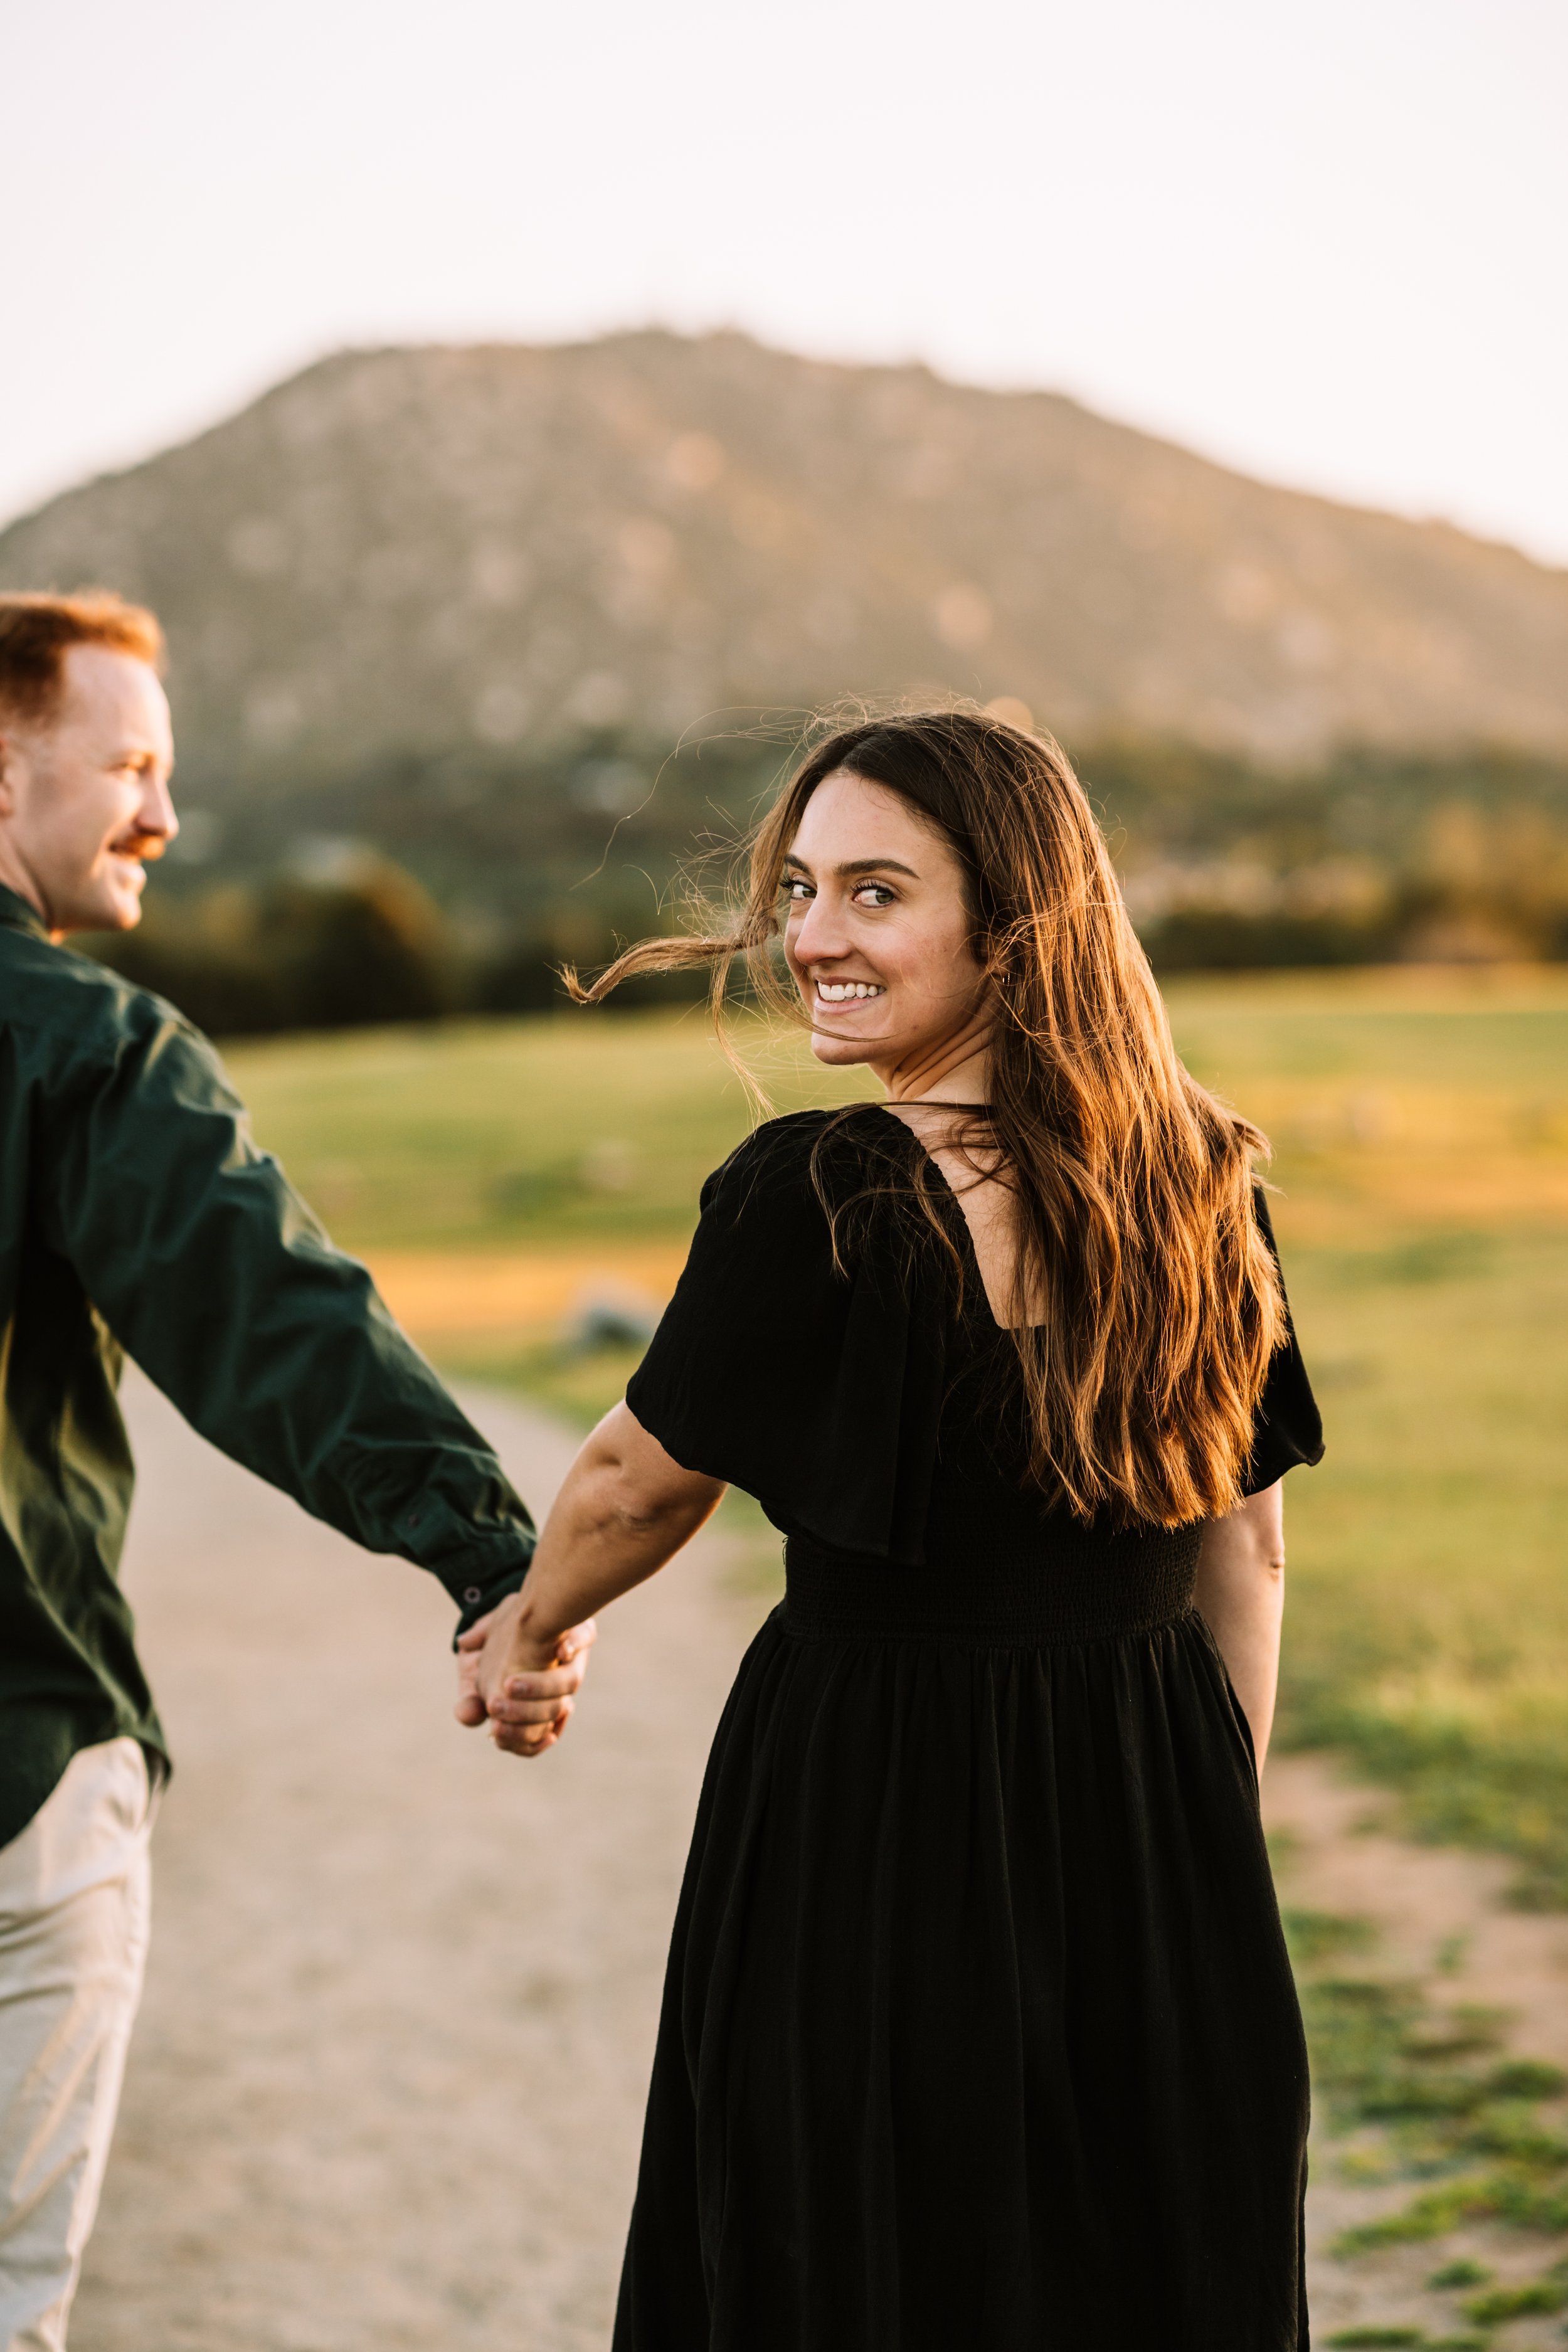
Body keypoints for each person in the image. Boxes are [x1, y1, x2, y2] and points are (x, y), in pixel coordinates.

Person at [462, 707, 1325, 2350]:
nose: (807, 938)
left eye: (872, 893)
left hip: (877, 1815)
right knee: (1121, 2264)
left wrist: (530, 1629)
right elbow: (1248, 1551)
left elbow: (637, 1479)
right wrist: (1196, 1836)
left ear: (1010, 923)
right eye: (797, 890)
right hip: (1155, 1796)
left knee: (859, 2251)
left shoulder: (822, 1191)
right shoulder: (1201, 1176)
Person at [0, 591, 588, 2352]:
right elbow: (277, 1323)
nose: (166, 818)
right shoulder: (79, 1046)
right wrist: (501, 1565)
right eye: (130, 766)